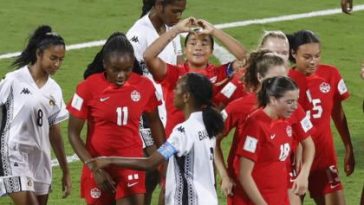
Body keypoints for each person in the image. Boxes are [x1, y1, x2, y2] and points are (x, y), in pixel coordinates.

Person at [86, 73, 225, 205]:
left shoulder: (183, 132)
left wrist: (109, 160)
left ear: (186, 97)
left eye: (177, 88)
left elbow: (150, 163)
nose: (173, 92)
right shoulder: (209, 124)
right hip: (209, 199)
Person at [67, 32, 165, 205]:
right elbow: (73, 133)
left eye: (127, 69)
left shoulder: (144, 86)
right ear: (105, 64)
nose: (121, 75)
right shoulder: (87, 88)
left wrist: (165, 158)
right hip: (97, 165)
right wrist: (93, 167)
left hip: (132, 164)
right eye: (115, 70)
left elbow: (155, 121)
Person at [215, 50, 315, 205]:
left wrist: (304, 174)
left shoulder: (291, 107)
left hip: (279, 185)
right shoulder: (240, 109)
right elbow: (212, 140)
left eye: (284, 78)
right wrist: (224, 176)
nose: (280, 83)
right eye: (275, 78)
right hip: (245, 191)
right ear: (260, 77)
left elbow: (308, 143)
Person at [0, 25, 71, 205]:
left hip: (40, 158)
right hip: (13, 153)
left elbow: (55, 133)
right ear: (39, 54)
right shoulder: (13, 80)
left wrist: (66, 170)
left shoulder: (54, 90)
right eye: (53, 58)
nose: (57, 64)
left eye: (61, 60)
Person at [143, 16, 247, 137]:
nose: (198, 47)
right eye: (193, 43)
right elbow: (148, 57)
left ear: (212, 51)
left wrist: (214, 31)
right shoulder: (174, 74)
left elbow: (246, 59)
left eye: (204, 43)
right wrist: (176, 29)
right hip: (175, 144)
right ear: (185, 50)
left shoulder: (220, 74)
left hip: (205, 144)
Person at [127, 2, 186, 203]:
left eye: (181, 12)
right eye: (175, 11)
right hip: (146, 116)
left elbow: (179, 68)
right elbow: (129, 81)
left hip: (170, 112)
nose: (179, 16)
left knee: (166, 175)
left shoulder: (172, 30)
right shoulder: (137, 34)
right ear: (159, 5)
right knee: (155, 170)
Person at [287, 30, 355, 205]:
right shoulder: (285, 81)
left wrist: (348, 146)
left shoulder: (331, 74)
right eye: (307, 57)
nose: (313, 61)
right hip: (295, 157)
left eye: (317, 56)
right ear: (293, 53)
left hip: (324, 156)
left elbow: (338, 114)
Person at [236, 76, 314, 205]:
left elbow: (308, 145)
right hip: (259, 199)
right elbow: (244, 174)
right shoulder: (256, 124)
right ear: (273, 100)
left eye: (296, 101)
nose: (295, 107)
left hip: (280, 197)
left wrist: (304, 175)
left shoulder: (284, 121)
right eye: (289, 102)